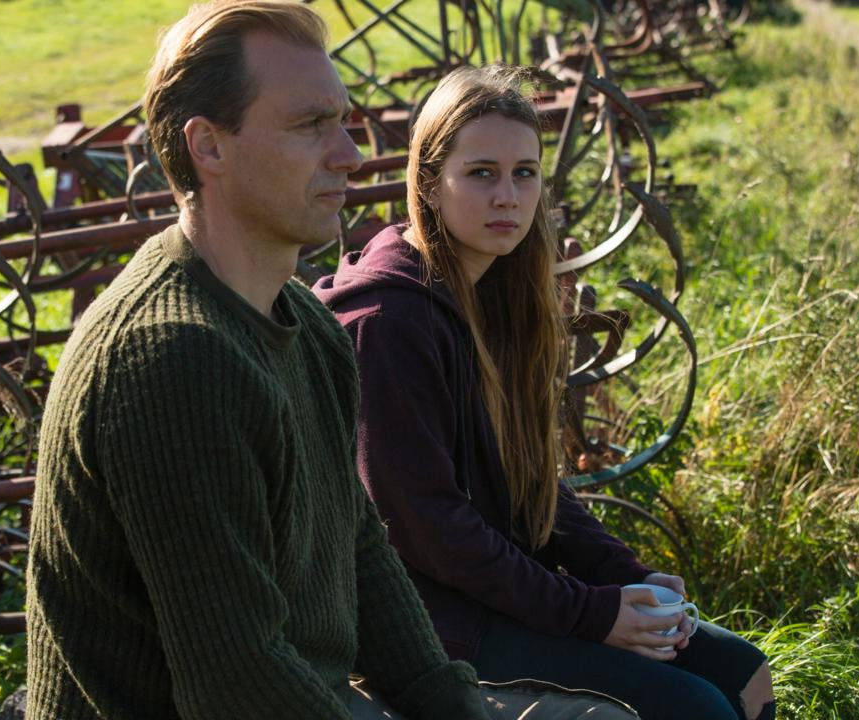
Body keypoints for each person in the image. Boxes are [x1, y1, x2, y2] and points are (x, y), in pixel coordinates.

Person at [25, 3, 636, 719]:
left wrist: (449, 703)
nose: (349, 154)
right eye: (310, 125)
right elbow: (237, 683)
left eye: (342, 121)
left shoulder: (304, 320)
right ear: (209, 146)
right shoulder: (174, 358)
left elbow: (361, 551)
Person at [314, 65, 777, 720]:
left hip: (495, 596)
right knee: (694, 708)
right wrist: (590, 614)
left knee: (744, 672)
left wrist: (626, 576)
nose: (508, 196)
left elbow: (532, 479)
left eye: (524, 173)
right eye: (482, 173)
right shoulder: (389, 321)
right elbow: (428, 528)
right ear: (429, 183)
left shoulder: (499, 291)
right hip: (430, 628)